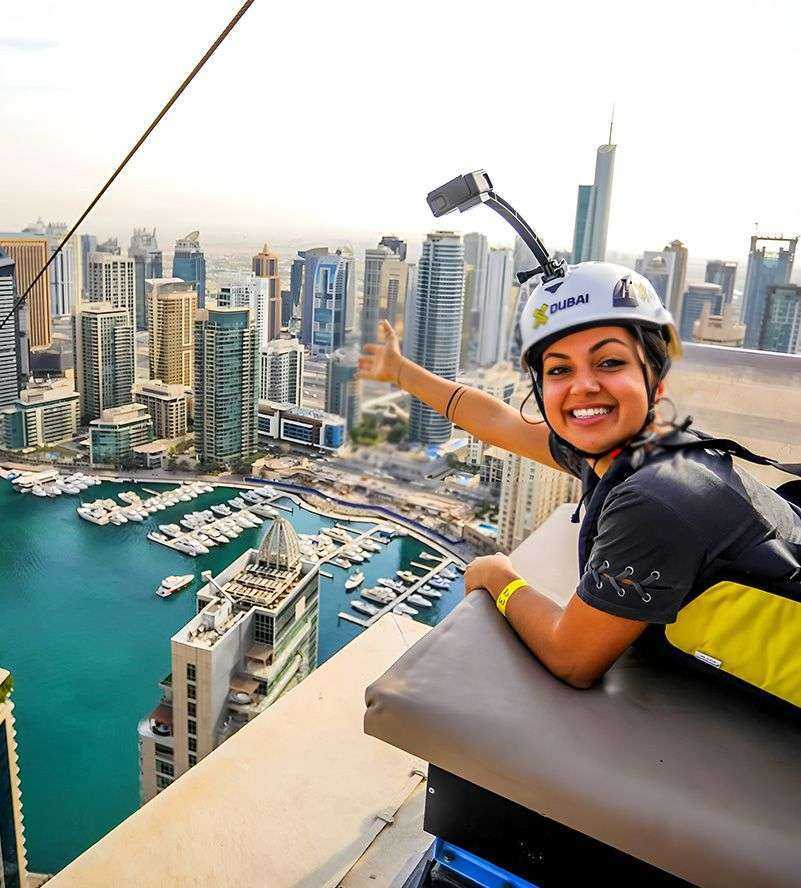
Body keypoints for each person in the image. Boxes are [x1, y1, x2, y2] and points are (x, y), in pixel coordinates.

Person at [358, 261, 801, 691]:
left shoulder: (654, 500)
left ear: (655, 382)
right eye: (559, 370)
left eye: (609, 363)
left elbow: (573, 660)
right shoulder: (640, 445)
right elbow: (501, 423)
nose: (582, 386)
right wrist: (400, 371)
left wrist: (498, 577)